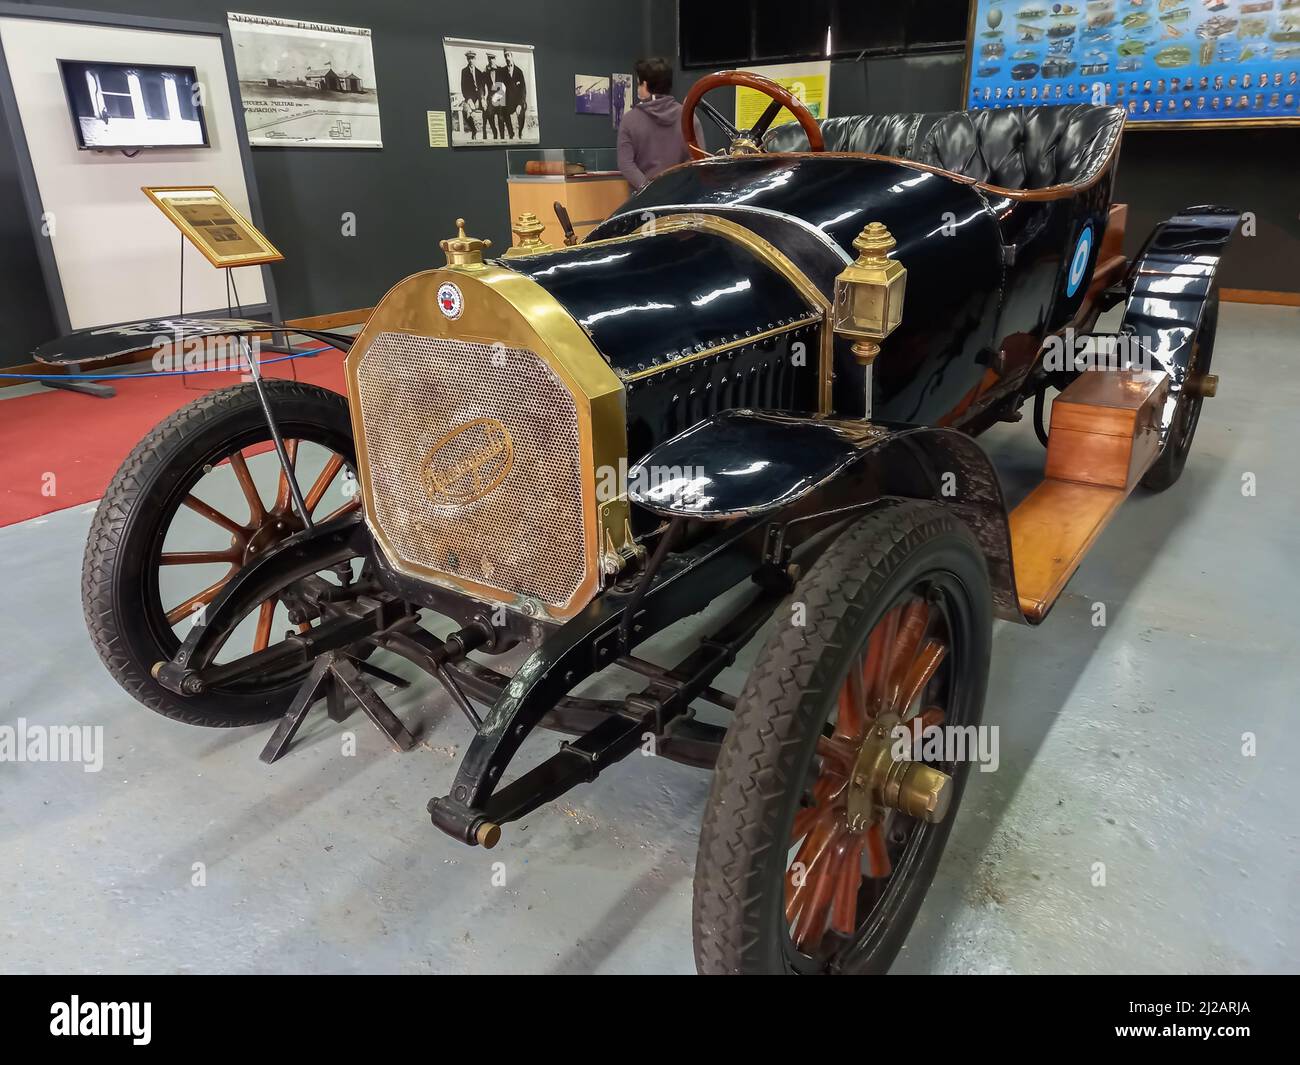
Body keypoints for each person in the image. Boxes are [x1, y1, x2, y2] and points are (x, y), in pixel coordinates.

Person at [617, 57, 703, 191]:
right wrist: (674, 186)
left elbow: (626, 164)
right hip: (680, 199)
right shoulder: (689, 118)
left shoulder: (629, 120)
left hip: (643, 204)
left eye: (639, 84)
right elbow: (697, 159)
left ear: (645, 86)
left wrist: (649, 189)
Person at [502, 49, 527, 139]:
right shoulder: (502, 71)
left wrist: (520, 104)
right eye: (505, 56)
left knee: (523, 108)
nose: (507, 58)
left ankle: (520, 132)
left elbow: (523, 90)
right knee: (503, 111)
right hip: (509, 102)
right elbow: (499, 87)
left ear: (512, 56)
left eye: (508, 55)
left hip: (518, 101)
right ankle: (511, 133)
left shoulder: (519, 72)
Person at [459, 51, 481, 140]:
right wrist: (468, 99)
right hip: (469, 98)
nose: (470, 60)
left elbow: (481, 88)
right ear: (467, 59)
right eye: (469, 58)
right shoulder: (464, 71)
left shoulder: (479, 72)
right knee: (465, 111)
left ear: (475, 59)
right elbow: (463, 87)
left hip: (478, 98)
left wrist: (479, 99)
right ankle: (474, 129)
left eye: (472, 58)